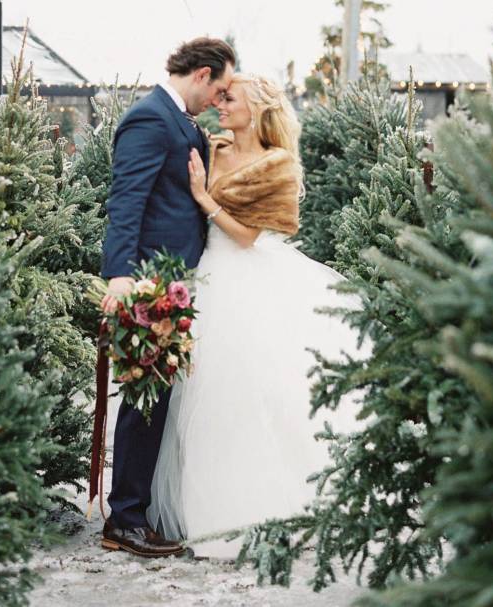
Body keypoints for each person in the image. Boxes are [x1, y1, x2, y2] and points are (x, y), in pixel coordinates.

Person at [147, 73, 371, 559]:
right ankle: (208, 508)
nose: (220, 104)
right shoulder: (214, 147)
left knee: (250, 393)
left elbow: (247, 237)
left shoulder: (275, 164)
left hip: (244, 274)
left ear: (257, 108)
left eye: (230, 99)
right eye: (220, 97)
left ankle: (258, 511)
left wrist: (206, 198)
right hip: (208, 272)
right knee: (207, 396)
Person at [99, 37, 236, 558]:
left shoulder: (180, 121)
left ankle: (138, 513)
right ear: (201, 74)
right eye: (219, 88)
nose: (219, 101)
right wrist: (119, 275)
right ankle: (125, 520)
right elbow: (126, 199)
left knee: (156, 399)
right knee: (144, 400)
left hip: (176, 279)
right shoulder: (150, 119)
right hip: (151, 281)